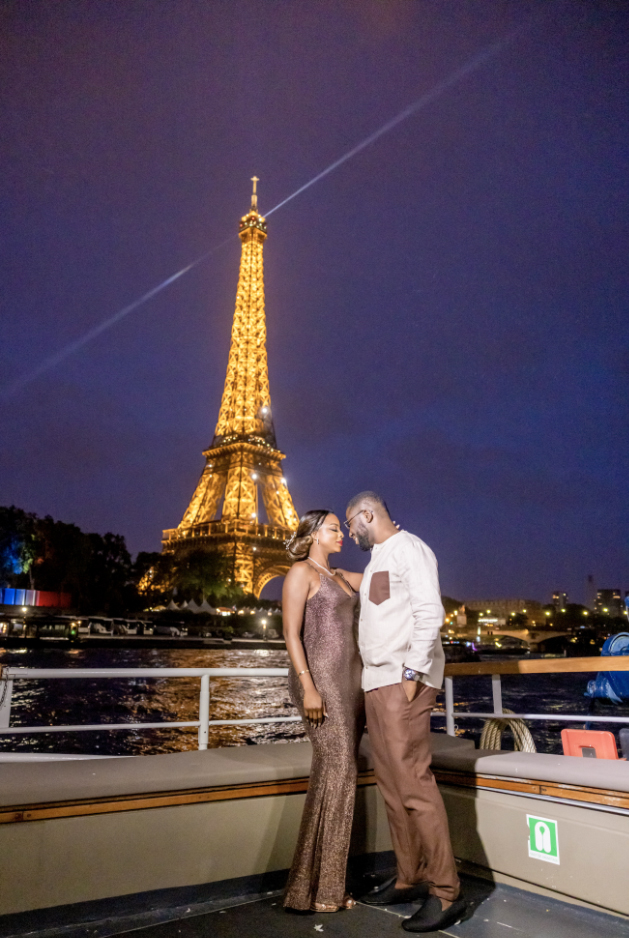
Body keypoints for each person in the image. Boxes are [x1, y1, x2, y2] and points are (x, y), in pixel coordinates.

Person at [345, 491, 466, 934]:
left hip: (401, 681)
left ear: (367, 514)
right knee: (393, 788)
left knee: (414, 785)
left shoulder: (411, 549)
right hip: (377, 682)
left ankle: (447, 891)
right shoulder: (380, 558)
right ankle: (410, 877)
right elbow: (384, 607)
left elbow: (430, 613)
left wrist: (412, 674)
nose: (349, 533)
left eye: (350, 524)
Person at [282, 509, 365, 912]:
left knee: (335, 775)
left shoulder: (342, 576)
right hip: (321, 684)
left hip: (352, 684)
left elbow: (389, 578)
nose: (341, 534)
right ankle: (325, 891)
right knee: (341, 771)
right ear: (314, 534)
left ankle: (309, 889)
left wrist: (386, 536)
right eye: (334, 528)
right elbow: (290, 633)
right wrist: (309, 687)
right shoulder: (301, 572)